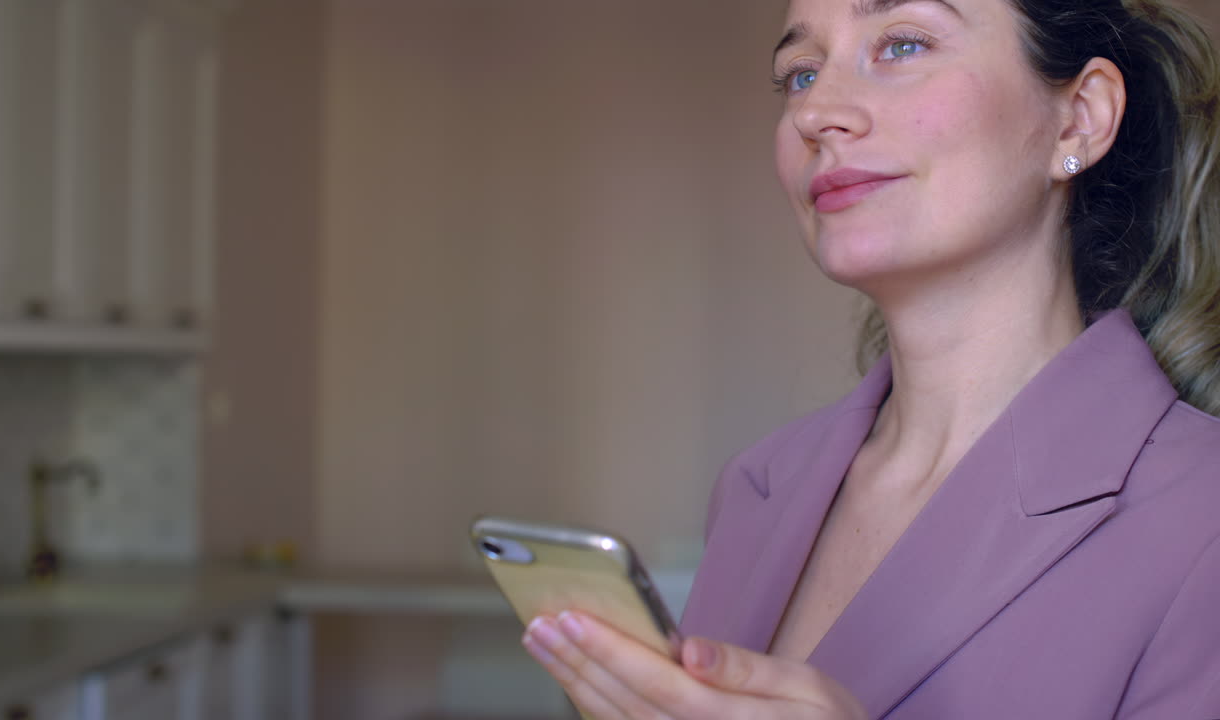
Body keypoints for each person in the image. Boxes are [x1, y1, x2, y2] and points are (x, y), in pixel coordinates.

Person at [519, 0, 1220, 717]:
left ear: (1080, 117)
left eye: (904, 44)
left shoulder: (1203, 516)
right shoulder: (756, 487)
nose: (815, 111)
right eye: (798, 73)